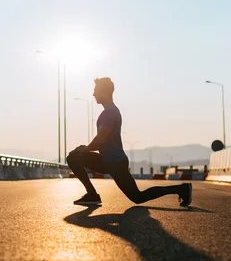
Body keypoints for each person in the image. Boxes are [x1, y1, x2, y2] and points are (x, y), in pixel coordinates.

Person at [67, 77, 192, 207]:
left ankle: (181, 189)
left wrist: (84, 150)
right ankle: (92, 194)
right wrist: (85, 150)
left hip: (114, 162)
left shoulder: (109, 113)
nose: (93, 94)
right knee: (74, 157)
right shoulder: (110, 111)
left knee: (138, 197)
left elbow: (100, 139)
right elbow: (101, 140)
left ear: (104, 91)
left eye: (96, 91)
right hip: (109, 161)